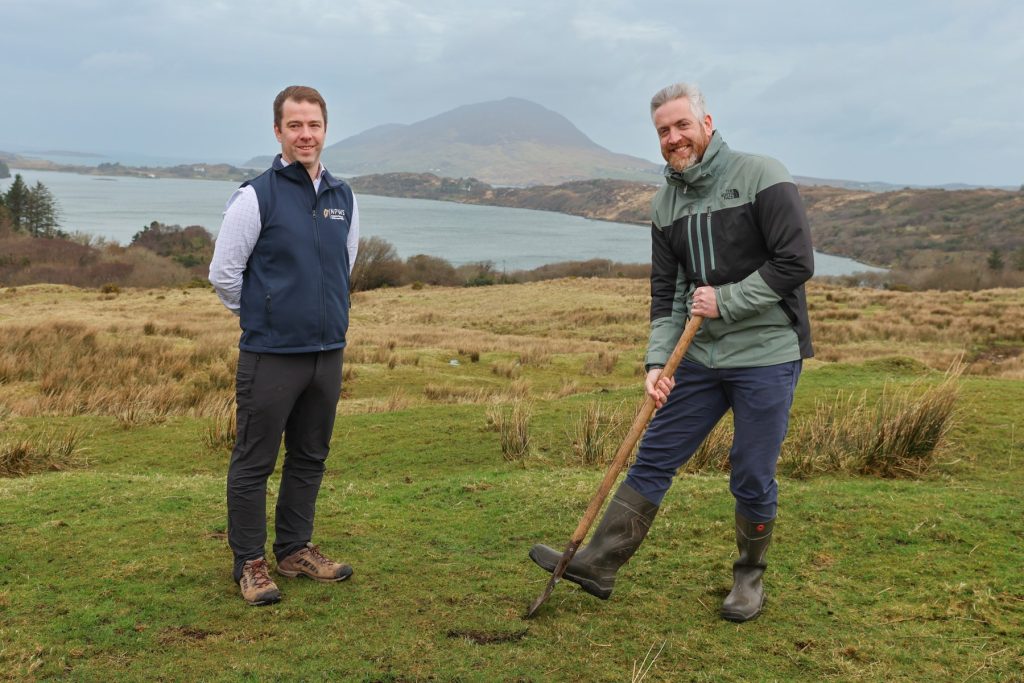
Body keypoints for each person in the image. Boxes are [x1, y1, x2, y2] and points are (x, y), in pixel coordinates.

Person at [531, 82, 814, 622]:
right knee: (655, 455)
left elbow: (796, 262)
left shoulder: (762, 175)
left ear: (708, 123)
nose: (673, 137)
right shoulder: (666, 202)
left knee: (752, 472)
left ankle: (749, 578)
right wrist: (658, 362)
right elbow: (669, 292)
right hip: (699, 357)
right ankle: (599, 563)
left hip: (766, 353)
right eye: (663, 130)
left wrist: (726, 300)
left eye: (682, 125)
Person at [209, 85, 360, 606]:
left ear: (325, 129)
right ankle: (249, 563)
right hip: (271, 355)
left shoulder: (344, 197)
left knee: (310, 457)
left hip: (327, 353)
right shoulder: (256, 195)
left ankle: (295, 549)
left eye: (313, 125)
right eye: (294, 125)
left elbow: (345, 265)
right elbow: (224, 274)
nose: (305, 134)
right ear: (278, 131)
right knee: (254, 461)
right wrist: (265, 316)